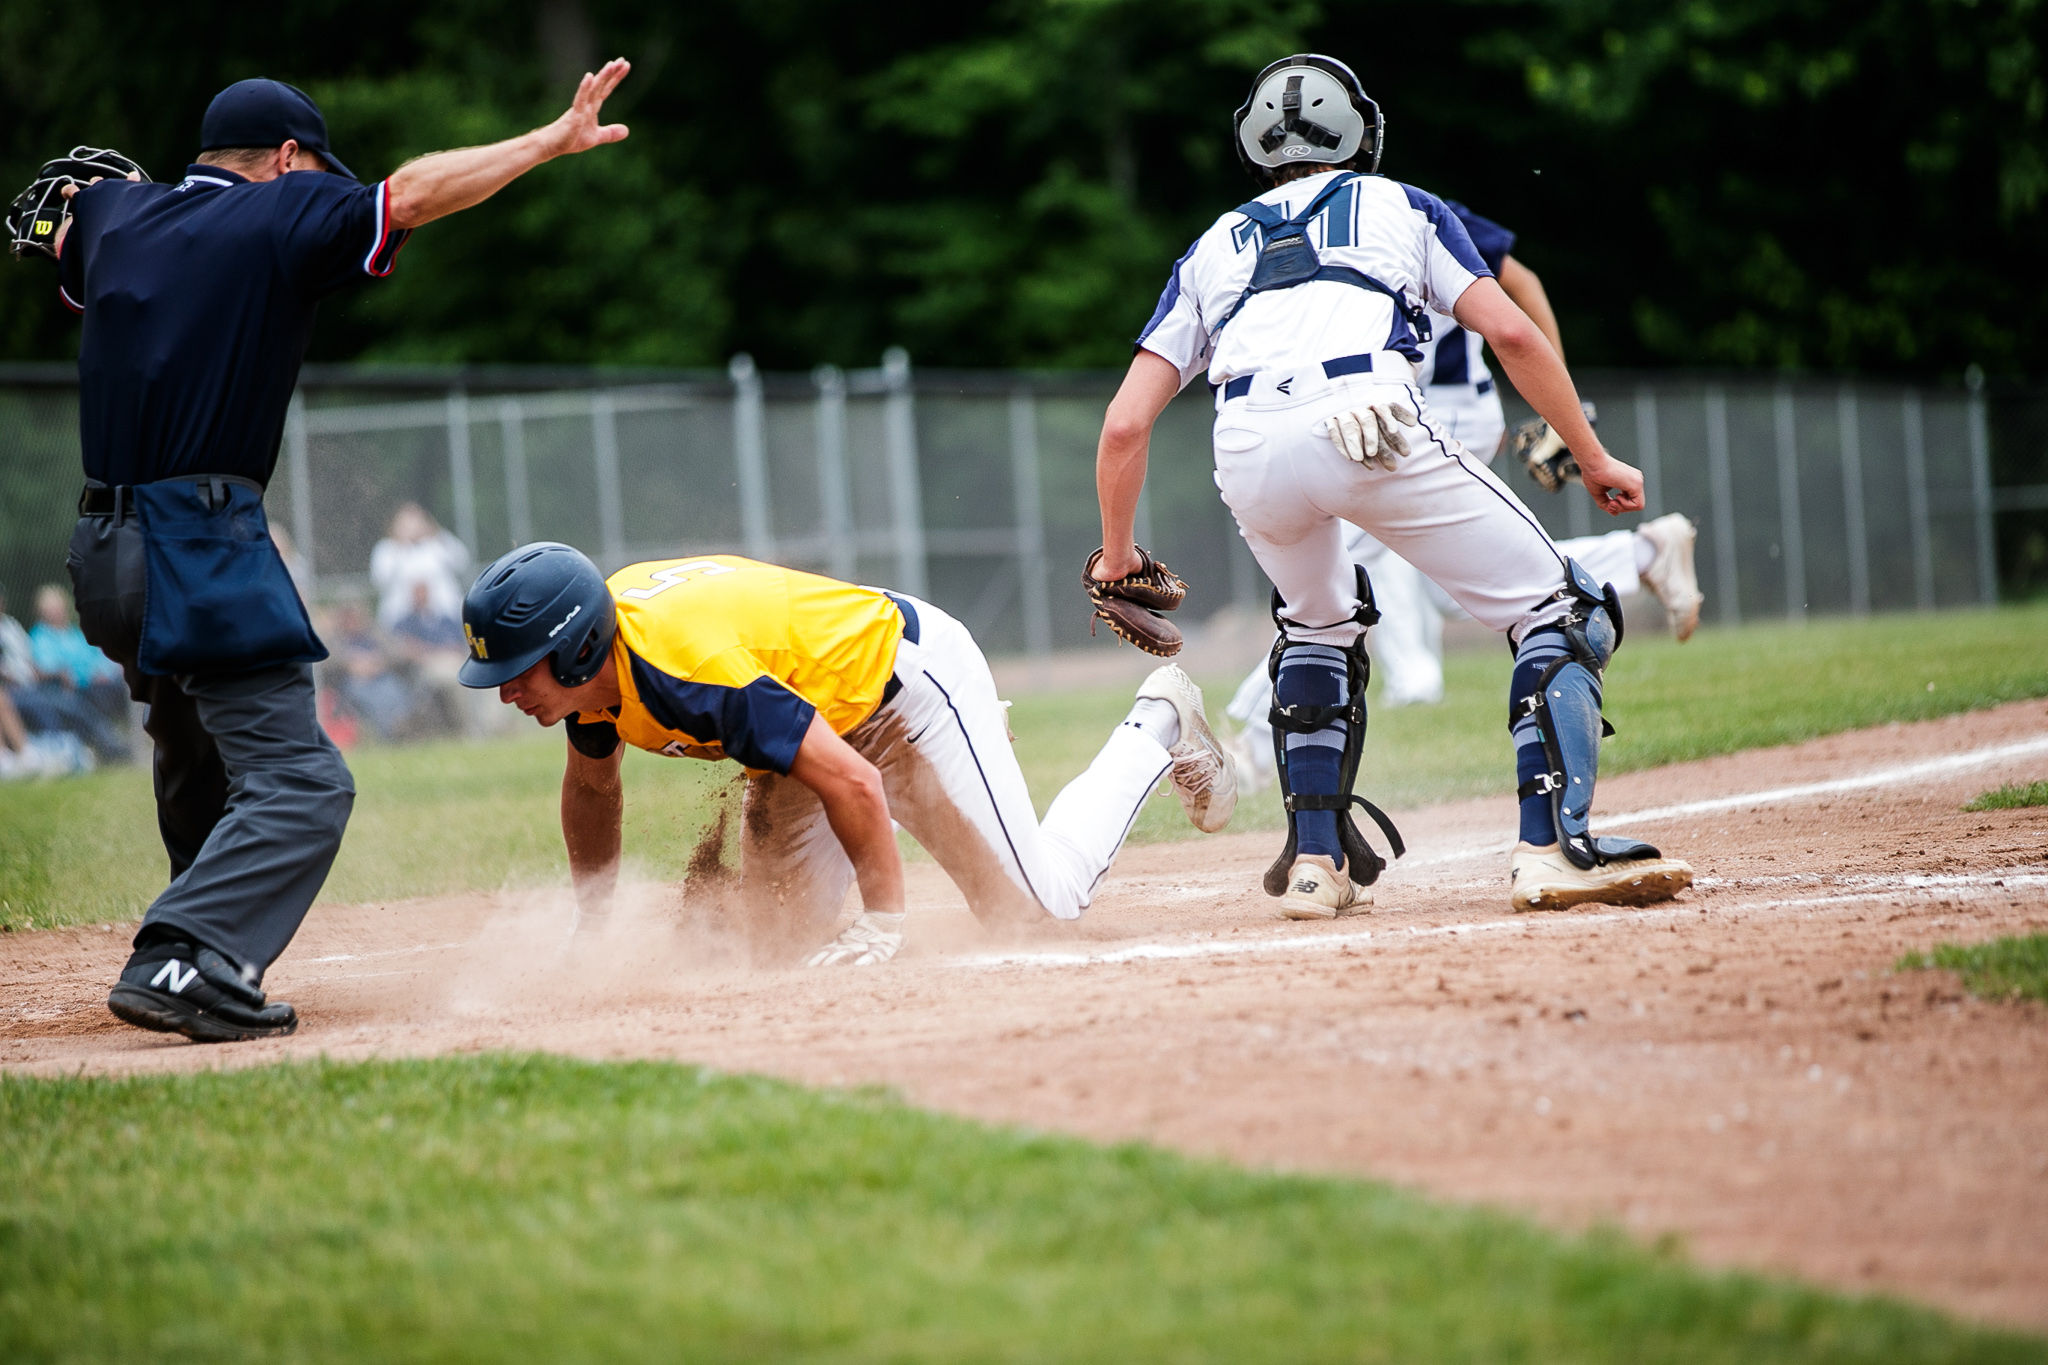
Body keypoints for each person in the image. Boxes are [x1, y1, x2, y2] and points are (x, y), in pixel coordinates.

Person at [38, 60, 638, 1043]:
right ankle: (183, 955)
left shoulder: (116, 218)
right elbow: (411, 194)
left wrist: (77, 217)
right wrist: (547, 140)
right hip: (200, 539)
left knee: (194, 752)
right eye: (318, 168)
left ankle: (195, 943)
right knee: (304, 781)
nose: (328, 186)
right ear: (286, 158)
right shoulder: (280, 213)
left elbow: (65, 237)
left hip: (102, 553)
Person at [1090, 53, 1693, 918]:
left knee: (1318, 628)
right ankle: (1553, 847)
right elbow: (1514, 335)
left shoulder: (1214, 244)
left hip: (1248, 446)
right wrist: (1590, 455)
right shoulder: (1403, 203)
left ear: (1256, 149)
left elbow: (1123, 424)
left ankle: (1315, 863)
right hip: (1367, 419)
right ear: (1359, 134)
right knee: (1564, 610)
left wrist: (1117, 557)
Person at [457, 544, 1237, 965]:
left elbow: (855, 776)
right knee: (775, 947)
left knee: (1032, 911)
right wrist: (594, 918)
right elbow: (594, 792)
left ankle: (1157, 720)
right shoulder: (594, 685)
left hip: (905, 696)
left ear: (579, 647)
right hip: (815, 725)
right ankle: (940, 798)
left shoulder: (689, 673)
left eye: (515, 670)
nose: (504, 693)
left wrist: (884, 921)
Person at [1221, 198, 1704, 777]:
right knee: (1457, 586)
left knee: (1335, 577)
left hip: (1426, 410)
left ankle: (1251, 742)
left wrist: (1560, 404)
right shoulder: (1357, 213)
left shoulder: (1405, 206)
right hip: (1392, 405)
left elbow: (1521, 286)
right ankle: (1643, 553)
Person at [0, 581, 128, 763]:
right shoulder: (41, 636)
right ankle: (107, 747)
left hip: (98, 683)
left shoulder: (76, 633)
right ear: (42, 612)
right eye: (51, 609)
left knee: (130, 685)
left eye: (58, 608)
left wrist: (105, 672)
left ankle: (147, 738)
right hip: (66, 688)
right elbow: (46, 667)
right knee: (74, 705)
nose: (56, 612)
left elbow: (100, 658)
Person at [370, 502, 470, 631]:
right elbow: (379, 580)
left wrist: (437, 535)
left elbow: (462, 562)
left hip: (443, 615)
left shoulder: (436, 543)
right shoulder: (387, 548)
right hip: (401, 617)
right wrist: (400, 546)